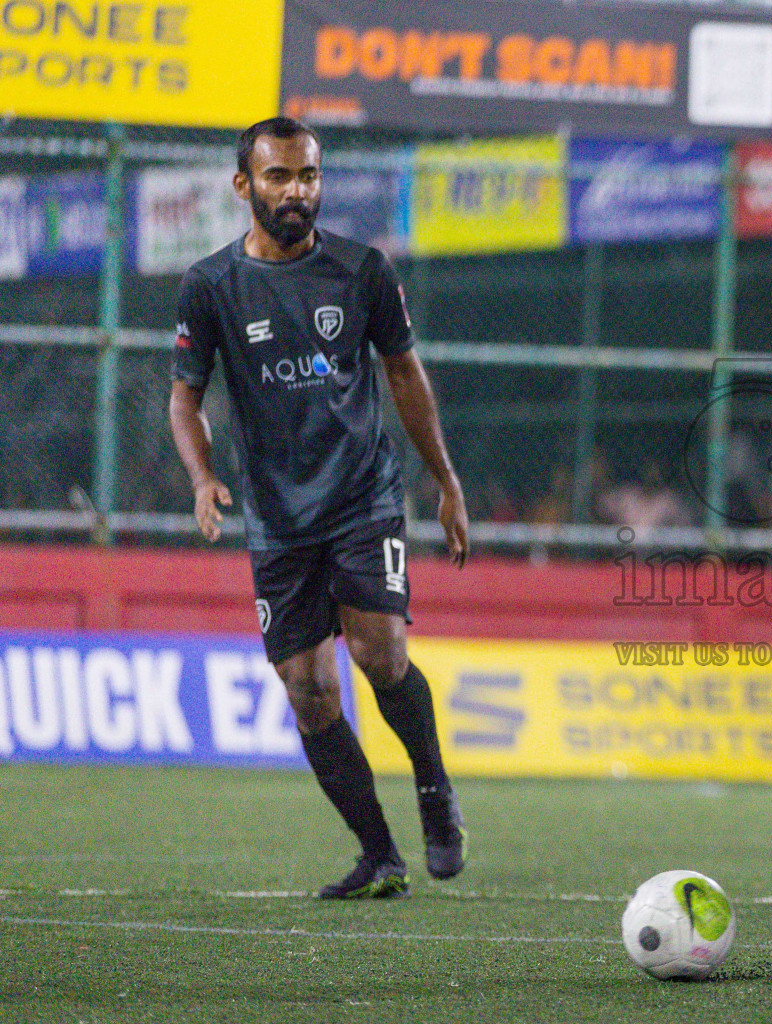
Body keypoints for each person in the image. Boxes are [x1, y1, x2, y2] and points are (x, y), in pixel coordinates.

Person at [167, 117, 471, 899]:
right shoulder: (210, 286)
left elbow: (404, 376)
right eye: (278, 177)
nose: (296, 191)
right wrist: (202, 478)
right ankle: (380, 854)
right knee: (308, 693)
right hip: (275, 518)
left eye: (307, 176)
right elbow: (186, 398)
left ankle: (435, 791)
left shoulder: (363, 270)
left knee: (381, 656)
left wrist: (446, 481)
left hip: (362, 498)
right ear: (245, 186)